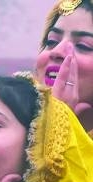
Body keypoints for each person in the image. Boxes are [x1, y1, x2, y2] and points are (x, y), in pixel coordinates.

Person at [35, 0, 93, 135]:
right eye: (52, 41)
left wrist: (57, 121)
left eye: (83, 46)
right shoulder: (11, 119)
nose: (57, 51)